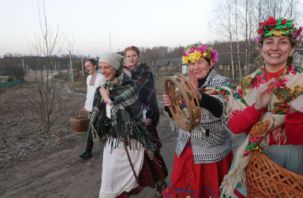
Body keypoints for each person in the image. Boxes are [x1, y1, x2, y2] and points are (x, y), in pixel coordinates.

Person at [220, 16, 303, 197]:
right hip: (254, 159)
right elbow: (235, 127)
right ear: (260, 49)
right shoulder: (247, 83)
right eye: (269, 42)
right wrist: (258, 106)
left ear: (292, 50)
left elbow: (300, 139)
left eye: (283, 42)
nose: (275, 48)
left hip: (292, 162)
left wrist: (293, 112)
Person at [162, 43, 234, 198]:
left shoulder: (222, 82)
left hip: (211, 151)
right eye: (191, 63)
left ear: (211, 63)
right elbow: (178, 114)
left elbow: (220, 108)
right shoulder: (182, 83)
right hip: (186, 148)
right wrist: (169, 106)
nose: (195, 67)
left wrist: (199, 96)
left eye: (200, 62)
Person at [87, 52, 157, 198]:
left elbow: (123, 117)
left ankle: (159, 187)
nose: (103, 71)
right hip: (113, 140)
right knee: (109, 178)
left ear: (116, 67)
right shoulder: (105, 86)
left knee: (122, 179)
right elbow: (104, 115)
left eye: (107, 67)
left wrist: (106, 99)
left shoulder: (128, 87)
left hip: (129, 141)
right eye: (101, 67)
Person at [123, 46, 168, 194]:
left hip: (144, 116)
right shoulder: (122, 73)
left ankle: (160, 183)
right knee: (134, 154)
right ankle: (132, 185)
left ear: (138, 56)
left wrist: (149, 116)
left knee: (151, 151)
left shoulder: (145, 71)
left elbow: (148, 94)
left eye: (134, 55)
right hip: (129, 119)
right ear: (125, 57)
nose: (131, 58)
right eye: (128, 56)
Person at [79, 59, 106, 159]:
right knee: (90, 129)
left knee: (100, 129)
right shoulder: (88, 78)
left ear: (95, 66)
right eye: (85, 66)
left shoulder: (101, 78)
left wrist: (99, 107)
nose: (87, 68)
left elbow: (102, 94)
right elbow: (89, 94)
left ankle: (106, 150)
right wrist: (86, 105)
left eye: (89, 65)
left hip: (99, 108)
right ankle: (88, 151)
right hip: (90, 108)